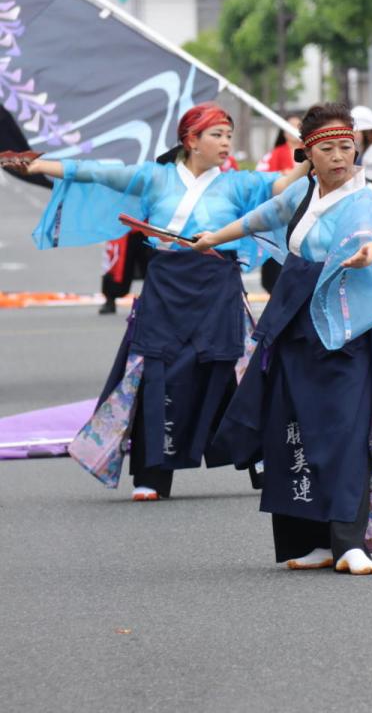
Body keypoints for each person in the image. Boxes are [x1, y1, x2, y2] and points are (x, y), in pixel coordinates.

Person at [191, 102, 372, 575]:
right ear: (308, 153)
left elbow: (369, 236)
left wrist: (366, 254)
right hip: (295, 325)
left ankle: (349, 541)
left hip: (346, 330)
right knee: (295, 430)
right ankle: (313, 540)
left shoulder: (364, 199)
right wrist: (212, 238)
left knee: (345, 432)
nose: (340, 156)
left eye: (347, 146)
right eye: (328, 148)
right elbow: (262, 217)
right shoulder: (303, 192)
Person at [23, 103, 309, 500]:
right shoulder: (154, 177)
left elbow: (281, 187)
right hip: (166, 285)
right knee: (155, 370)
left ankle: (260, 459)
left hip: (216, 284)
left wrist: (310, 158)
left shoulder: (237, 184)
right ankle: (152, 474)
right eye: (217, 135)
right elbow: (98, 171)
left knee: (235, 368)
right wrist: (40, 166)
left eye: (229, 135)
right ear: (191, 140)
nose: (227, 143)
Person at [257, 114, 303, 294]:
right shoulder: (274, 155)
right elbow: (266, 182)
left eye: (298, 126)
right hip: (281, 216)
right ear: (283, 132)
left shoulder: (310, 152)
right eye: (289, 126)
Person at [98, 230, 150, 314]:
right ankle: (110, 300)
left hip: (147, 228)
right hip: (123, 229)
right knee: (116, 263)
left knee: (153, 264)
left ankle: (156, 301)